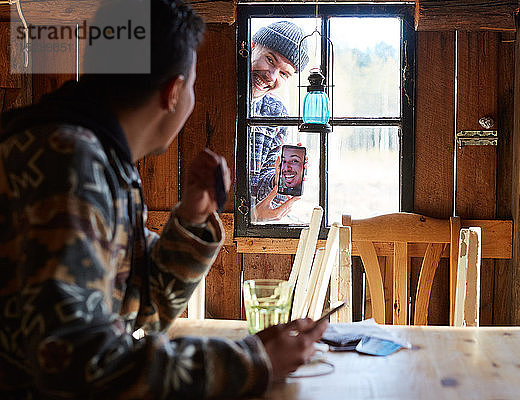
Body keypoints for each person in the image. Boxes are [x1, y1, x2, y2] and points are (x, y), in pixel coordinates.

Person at [0, 1, 327, 398]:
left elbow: (138, 306)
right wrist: (252, 360)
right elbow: (79, 364)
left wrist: (191, 221)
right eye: (193, 84)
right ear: (174, 91)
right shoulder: (68, 160)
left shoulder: (91, 153)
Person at [249, 21, 309, 222]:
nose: (271, 76)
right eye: (270, 60)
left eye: (284, 73)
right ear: (252, 46)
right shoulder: (211, 89)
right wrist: (252, 215)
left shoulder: (276, 112)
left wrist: (279, 176)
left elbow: (261, 194)